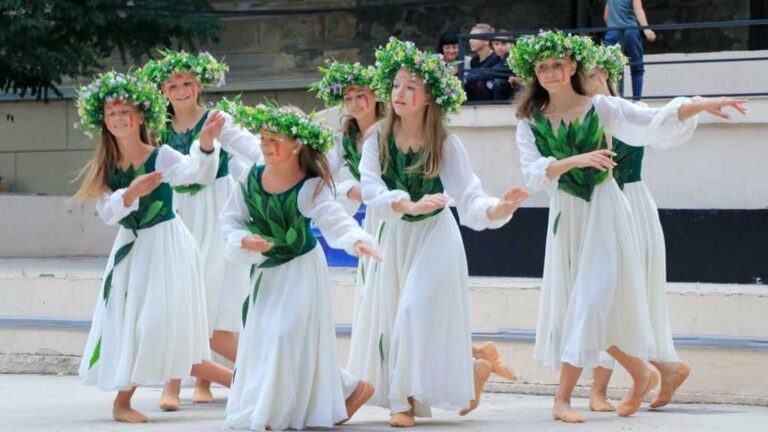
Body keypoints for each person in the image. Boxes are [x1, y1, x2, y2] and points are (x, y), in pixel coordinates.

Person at [509, 30, 746, 423]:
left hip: (606, 212)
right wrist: (576, 160)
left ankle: (563, 400)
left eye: (557, 65)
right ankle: (641, 373)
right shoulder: (529, 123)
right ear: (535, 72)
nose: (550, 72)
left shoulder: (602, 107)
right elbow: (533, 174)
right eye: (542, 67)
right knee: (579, 305)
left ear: (571, 67)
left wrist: (700, 104)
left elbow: (651, 120)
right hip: (568, 217)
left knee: (592, 299)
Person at [355, 37, 530, 427]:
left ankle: (402, 401)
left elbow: (468, 196)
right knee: (395, 317)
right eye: (397, 85)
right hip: (396, 237)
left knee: (414, 308)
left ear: (430, 98)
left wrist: (498, 208)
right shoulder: (376, 139)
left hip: (435, 237)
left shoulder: (446, 144)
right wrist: (406, 204)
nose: (400, 94)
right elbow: (371, 189)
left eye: (411, 87)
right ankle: (468, 372)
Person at [74, 71, 233, 423]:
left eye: (125, 112)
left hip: (168, 244)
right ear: (103, 121)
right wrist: (131, 193)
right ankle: (123, 402)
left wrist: (206, 144)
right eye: (111, 114)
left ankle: (240, 385)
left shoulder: (161, 156)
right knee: (134, 323)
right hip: (131, 249)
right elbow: (106, 212)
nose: (118, 120)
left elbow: (197, 174)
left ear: (141, 115)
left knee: (158, 323)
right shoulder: (105, 166)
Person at [219, 100, 381, 430]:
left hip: (301, 270)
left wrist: (356, 239)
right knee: (268, 338)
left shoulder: (309, 187)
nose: (267, 146)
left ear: (297, 145)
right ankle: (348, 387)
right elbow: (230, 220)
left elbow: (334, 218)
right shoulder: (250, 177)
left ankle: (276, 413)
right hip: (266, 273)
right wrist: (242, 240)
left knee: (285, 335)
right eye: (264, 139)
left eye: (276, 139)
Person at [140, 50, 262, 407]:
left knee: (208, 293)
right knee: (178, 292)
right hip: (177, 209)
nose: (181, 91)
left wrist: (280, 159)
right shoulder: (157, 127)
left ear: (199, 86)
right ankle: (177, 385)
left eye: (188, 83)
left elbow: (252, 150)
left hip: (215, 207)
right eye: (173, 85)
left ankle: (202, 381)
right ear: (163, 90)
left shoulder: (217, 119)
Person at [604, 0, 657, 99]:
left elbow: (606, 15)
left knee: (614, 69)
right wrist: (646, 29)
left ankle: (617, 100)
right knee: (637, 69)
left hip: (612, 32)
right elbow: (638, 9)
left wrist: (612, 26)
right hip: (630, 31)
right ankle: (637, 101)